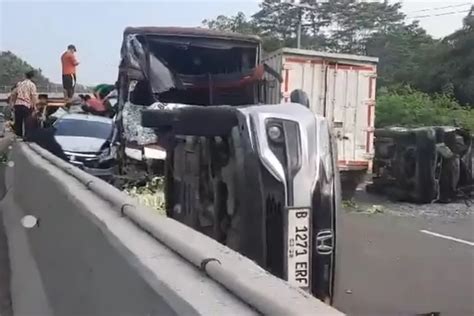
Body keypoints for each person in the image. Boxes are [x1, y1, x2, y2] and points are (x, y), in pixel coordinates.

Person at [10, 71, 38, 138]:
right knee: (27, 121)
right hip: (26, 105)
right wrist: (34, 106)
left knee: (18, 121)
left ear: (25, 76)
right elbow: (33, 96)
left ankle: (18, 135)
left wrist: (12, 104)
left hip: (18, 104)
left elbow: (13, 94)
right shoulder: (32, 85)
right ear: (32, 77)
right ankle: (26, 136)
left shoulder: (19, 84)